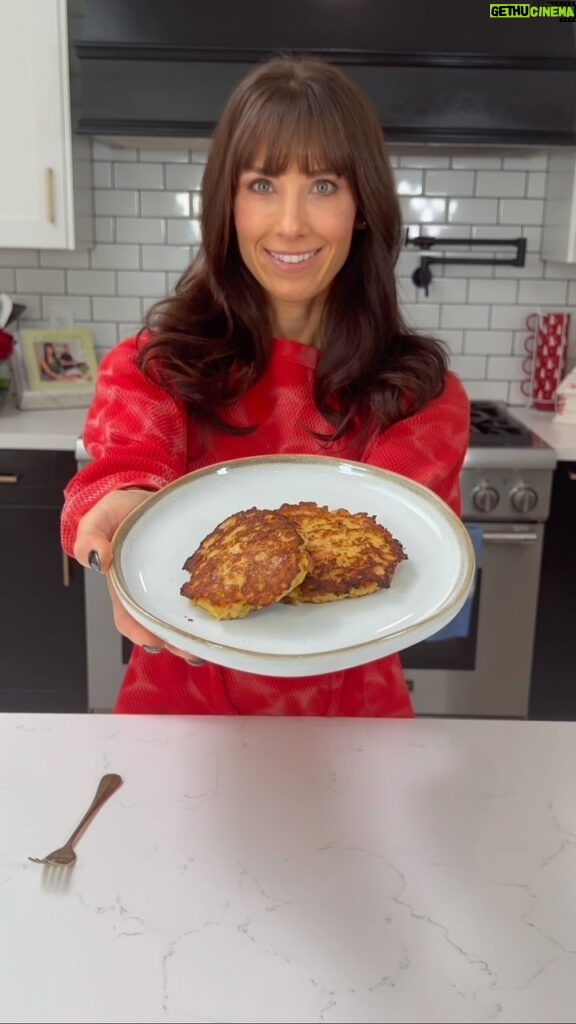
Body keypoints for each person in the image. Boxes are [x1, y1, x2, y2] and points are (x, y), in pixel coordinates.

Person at [61, 56, 470, 717]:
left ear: (362, 206)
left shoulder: (420, 396)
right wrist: (117, 508)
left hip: (352, 725)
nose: (289, 224)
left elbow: (400, 538)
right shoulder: (155, 368)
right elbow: (129, 465)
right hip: (176, 718)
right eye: (261, 184)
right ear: (227, 202)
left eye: (324, 186)